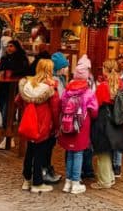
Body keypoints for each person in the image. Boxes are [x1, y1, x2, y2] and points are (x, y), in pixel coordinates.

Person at [17, 58, 60, 192]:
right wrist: (56, 126)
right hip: (44, 123)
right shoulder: (50, 88)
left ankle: (26, 180)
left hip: (30, 122)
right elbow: (55, 109)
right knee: (40, 153)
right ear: (50, 70)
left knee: (30, 151)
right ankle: (37, 183)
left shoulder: (28, 84)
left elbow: (17, 100)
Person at [58, 58, 98, 195]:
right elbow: (94, 110)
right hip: (81, 125)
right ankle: (75, 182)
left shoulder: (67, 90)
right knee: (79, 153)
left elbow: (61, 105)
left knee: (70, 152)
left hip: (67, 124)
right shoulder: (88, 92)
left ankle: (68, 182)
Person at [90, 60, 123, 189]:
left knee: (103, 153)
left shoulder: (103, 86)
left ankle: (104, 181)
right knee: (110, 151)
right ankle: (111, 177)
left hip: (104, 121)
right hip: (117, 123)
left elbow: (95, 106)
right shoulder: (121, 84)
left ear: (105, 70)